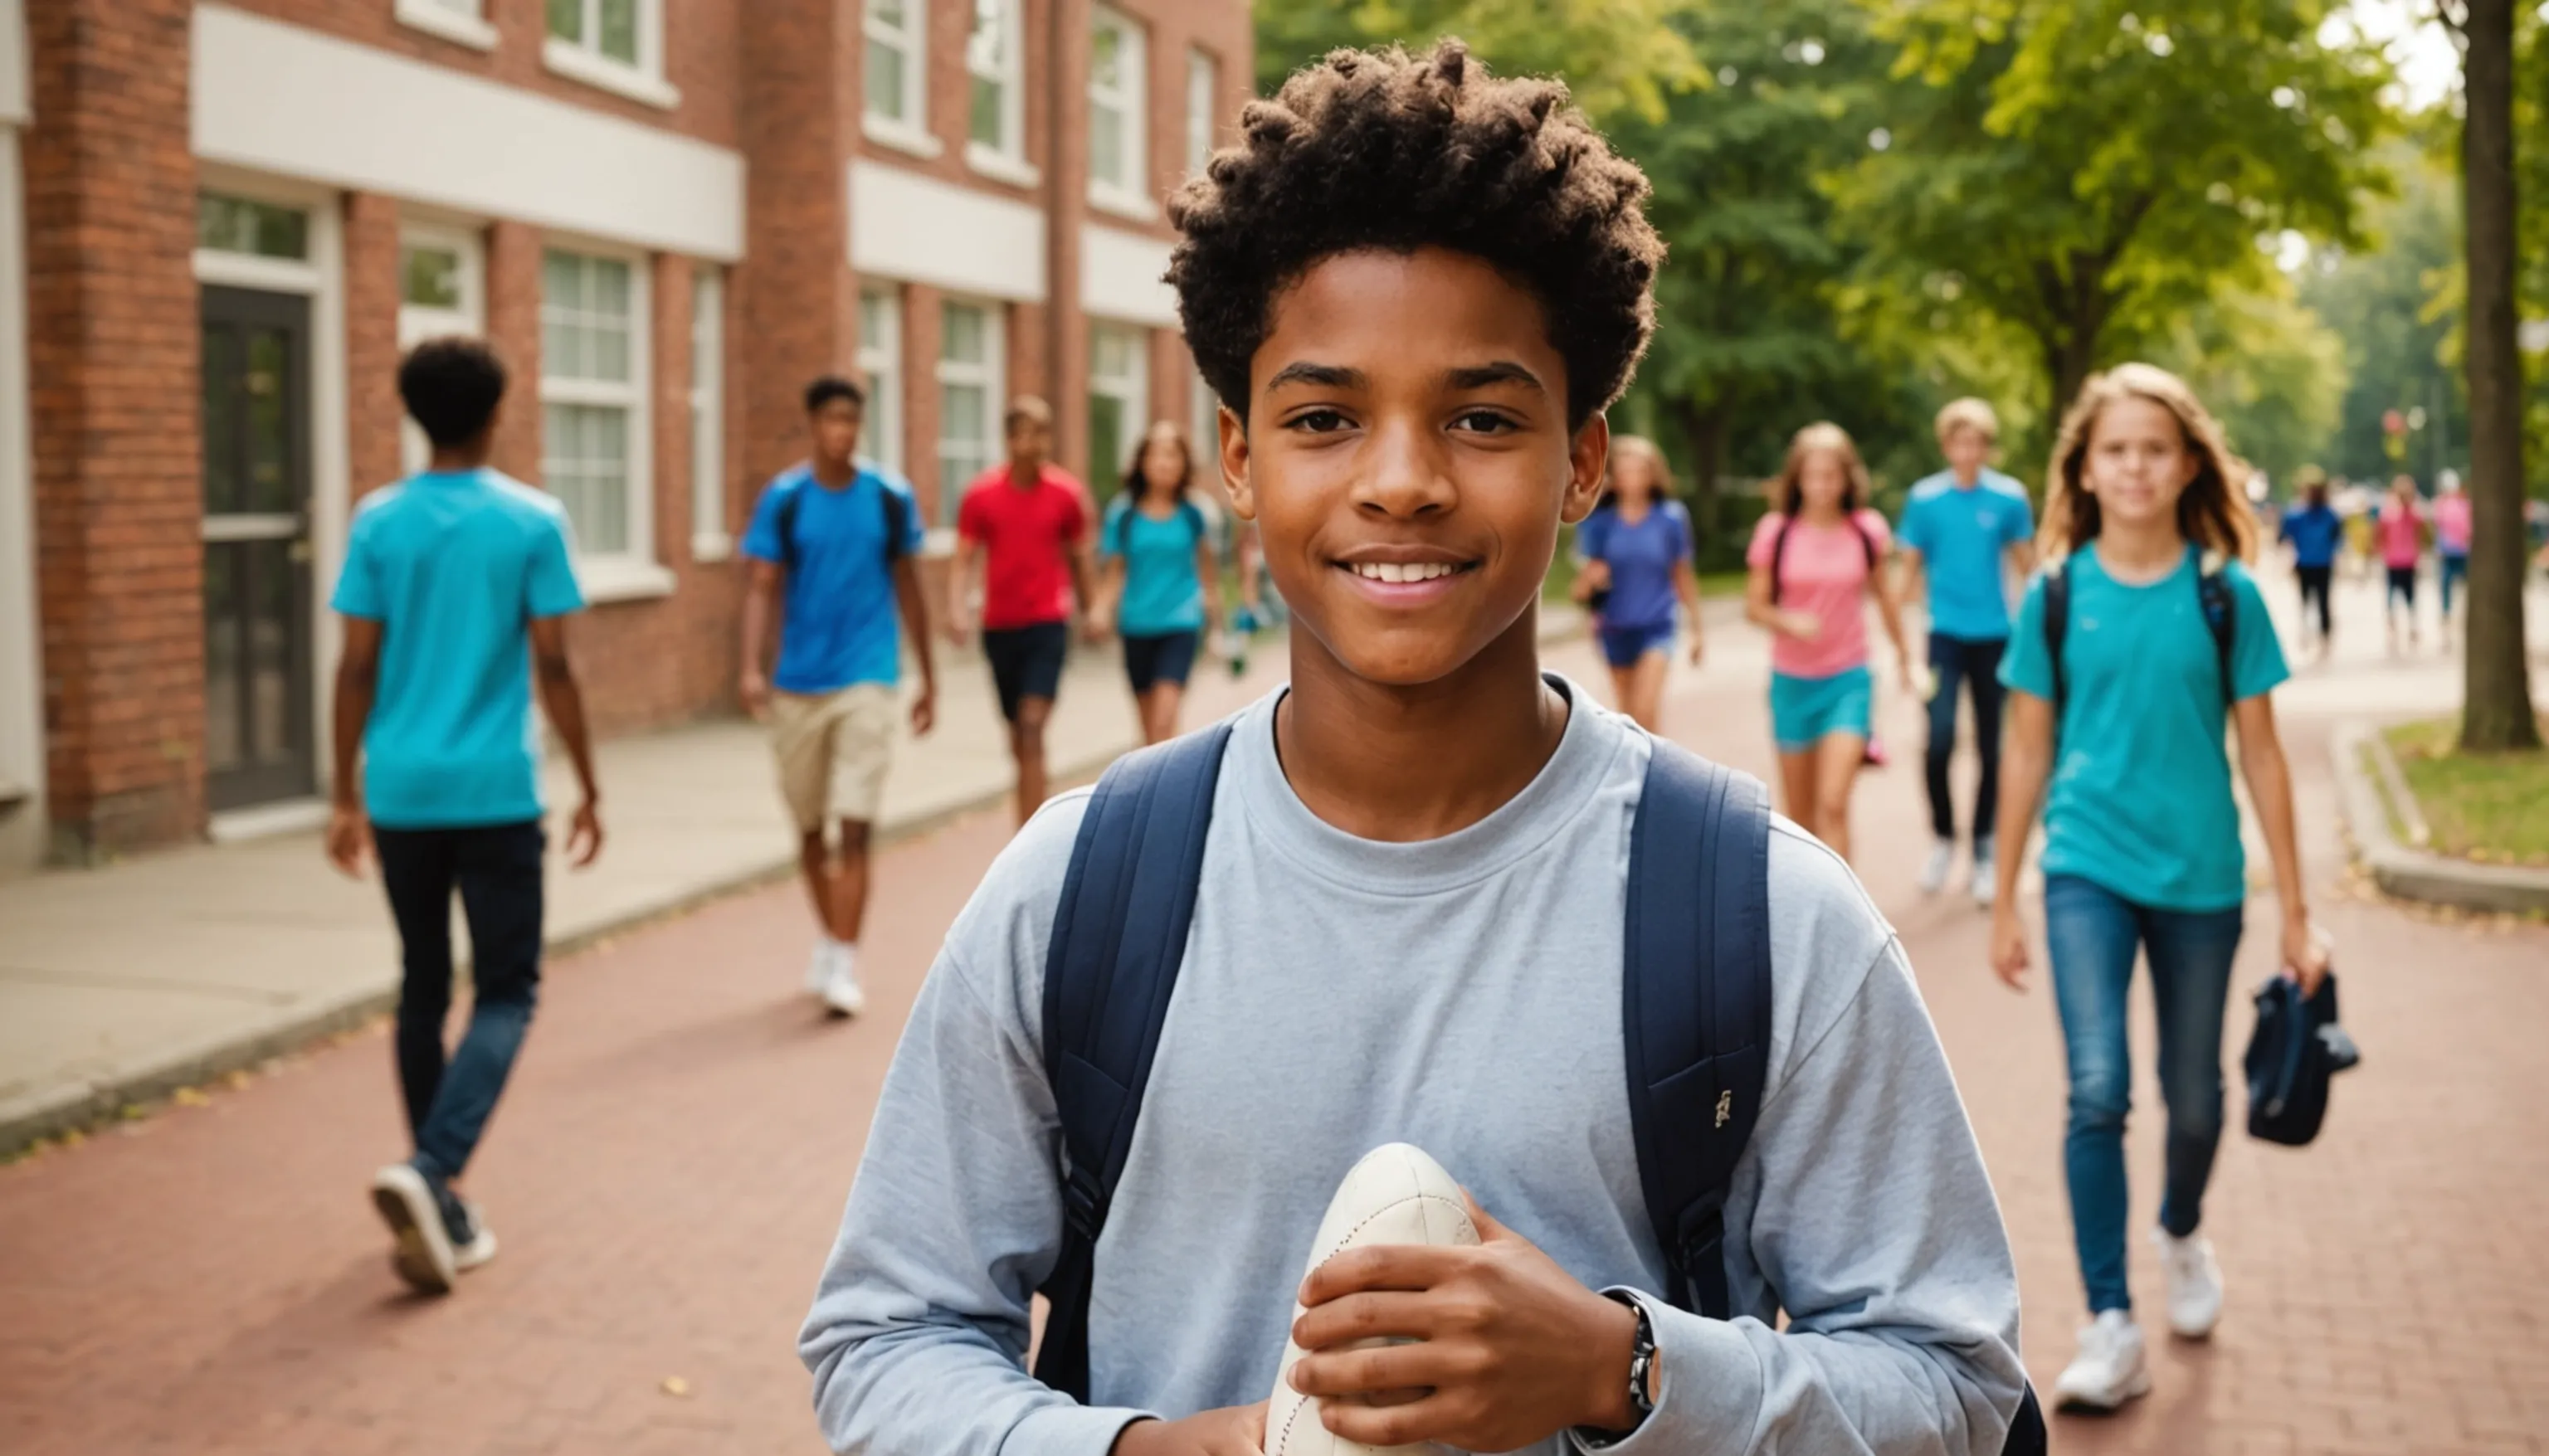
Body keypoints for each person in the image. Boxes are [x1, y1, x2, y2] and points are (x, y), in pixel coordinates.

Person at [802, 40, 2027, 1456]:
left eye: (1482, 416)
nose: (1399, 479)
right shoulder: (1079, 889)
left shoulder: (1762, 914)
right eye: (1323, 418)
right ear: (1240, 459)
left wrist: (1626, 1370)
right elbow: (886, 1336)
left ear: (1579, 460)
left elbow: (1960, 1388)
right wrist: (1160, 1451)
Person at [1989, 362, 2328, 1414]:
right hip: (2085, 866)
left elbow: (2264, 758)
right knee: (2098, 1089)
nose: (2134, 466)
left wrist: (2298, 912)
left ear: (2188, 465)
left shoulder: (2227, 596)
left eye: (2154, 448)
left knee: (2197, 1101)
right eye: (2115, 450)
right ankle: (2109, 1322)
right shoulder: (2054, 596)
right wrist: (2005, 895)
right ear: (2085, 469)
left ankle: (2180, 1228)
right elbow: (2027, 754)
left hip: (2202, 879)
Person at [326, 338, 602, 1295]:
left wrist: (340, 792)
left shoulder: (377, 522)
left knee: (419, 986)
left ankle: (433, 1197)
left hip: (401, 788)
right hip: (494, 788)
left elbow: (355, 667)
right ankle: (433, 1171)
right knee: (506, 990)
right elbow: (557, 666)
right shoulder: (532, 520)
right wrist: (593, 783)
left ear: (414, 414)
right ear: (495, 413)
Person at [738, 376, 937, 1017]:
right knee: (808, 829)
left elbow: (910, 586)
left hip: (868, 676)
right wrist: (749, 667)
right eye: (832, 419)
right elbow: (761, 586)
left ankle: (845, 956)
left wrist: (927, 673)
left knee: (854, 824)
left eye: (853, 419)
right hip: (798, 683)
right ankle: (828, 937)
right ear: (813, 424)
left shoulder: (887, 496)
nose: (843, 431)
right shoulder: (786, 498)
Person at [1744, 423, 1913, 865]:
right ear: (1797, 479)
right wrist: (1788, 621)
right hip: (1792, 684)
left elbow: (1885, 598)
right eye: (1812, 475)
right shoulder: (1776, 531)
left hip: (1849, 679)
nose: (1821, 486)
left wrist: (1906, 655)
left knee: (1834, 802)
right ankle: (1808, 913)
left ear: (1847, 478)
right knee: (1800, 823)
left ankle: (1845, 922)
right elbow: (1754, 607)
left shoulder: (1867, 530)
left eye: (1831, 476)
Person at [1898, 397, 2035, 908]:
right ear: (1947, 445)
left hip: (1997, 637)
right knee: (1937, 739)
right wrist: (1898, 644)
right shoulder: (1926, 499)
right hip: (1943, 635)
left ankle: (1982, 846)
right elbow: (1908, 571)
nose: (1968, 449)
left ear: (1986, 446)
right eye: (1959, 440)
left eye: (1976, 440)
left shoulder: (2009, 498)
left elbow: (2027, 566)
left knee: (1994, 747)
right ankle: (1942, 838)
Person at [949, 397, 1099, 823]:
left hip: (1048, 622)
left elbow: (1080, 558)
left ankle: (1030, 834)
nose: (1032, 443)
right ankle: (1030, 808)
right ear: (1009, 439)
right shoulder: (981, 496)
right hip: (1000, 627)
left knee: (1032, 726)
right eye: (1023, 433)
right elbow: (964, 558)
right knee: (1018, 734)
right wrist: (958, 609)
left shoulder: (1066, 495)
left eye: (1040, 433)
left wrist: (1091, 611)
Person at [1095, 421, 1222, 744]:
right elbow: (1115, 574)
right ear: (1142, 462)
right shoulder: (1123, 515)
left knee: (1165, 717)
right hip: (1136, 626)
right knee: (1149, 729)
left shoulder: (1194, 514)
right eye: (1156, 455)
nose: (1165, 463)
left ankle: (1164, 790)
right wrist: (1100, 609)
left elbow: (1208, 574)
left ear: (1183, 464)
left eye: (1172, 455)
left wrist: (1216, 627)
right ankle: (1155, 786)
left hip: (1180, 623)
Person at [1569, 436, 1703, 730]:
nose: (1634, 478)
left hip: (1657, 625)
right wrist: (1591, 578)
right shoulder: (1599, 523)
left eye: (1641, 470)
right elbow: (1579, 591)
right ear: (1614, 477)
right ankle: (1636, 774)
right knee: (1628, 718)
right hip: (1614, 628)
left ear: (1653, 474)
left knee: (1645, 708)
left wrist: (1697, 630)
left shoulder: (1671, 519)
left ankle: (1654, 774)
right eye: (1626, 470)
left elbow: (1682, 574)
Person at [2276, 467, 2342, 660]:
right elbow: (2283, 537)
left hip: (2321, 563)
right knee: (2307, 601)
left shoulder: (2328, 514)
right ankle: (2309, 633)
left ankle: (2323, 636)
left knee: (2321, 602)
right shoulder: (2298, 515)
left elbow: (2337, 538)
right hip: (2307, 563)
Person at [2377, 473, 2425, 652]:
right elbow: (2381, 533)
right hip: (2393, 561)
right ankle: (2392, 630)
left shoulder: (2413, 512)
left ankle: (2412, 627)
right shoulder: (2389, 512)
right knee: (2391, 598)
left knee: (2410, 597)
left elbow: (2420, 531)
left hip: (2409, 561)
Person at [2434, 471, 2473, 640]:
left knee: (2446, 588)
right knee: (2458, 587)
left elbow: (2439, 528)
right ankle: (2452, 616)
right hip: (2459, 551)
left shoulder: (2443, 505)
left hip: (2452, 552)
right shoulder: (2465, 505)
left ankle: (2447, 616)